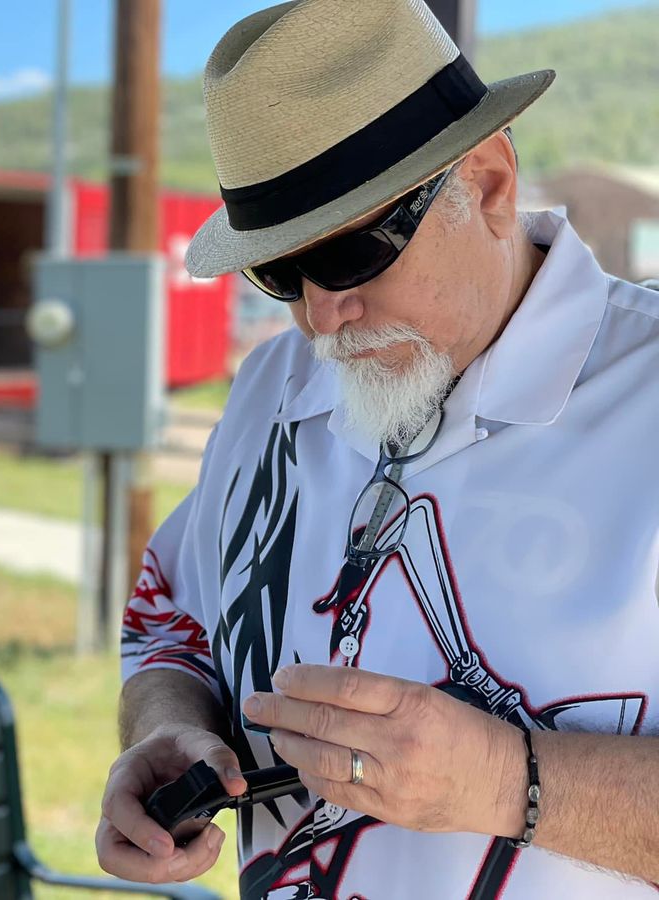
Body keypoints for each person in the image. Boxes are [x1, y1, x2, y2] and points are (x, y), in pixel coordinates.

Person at [96, 1, 659, 897]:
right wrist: (169, 729)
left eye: (357, 250)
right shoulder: (274, 389)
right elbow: (176, 620)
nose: (322, 316)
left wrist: (508, 781)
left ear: (488, 184)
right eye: (280, 270)